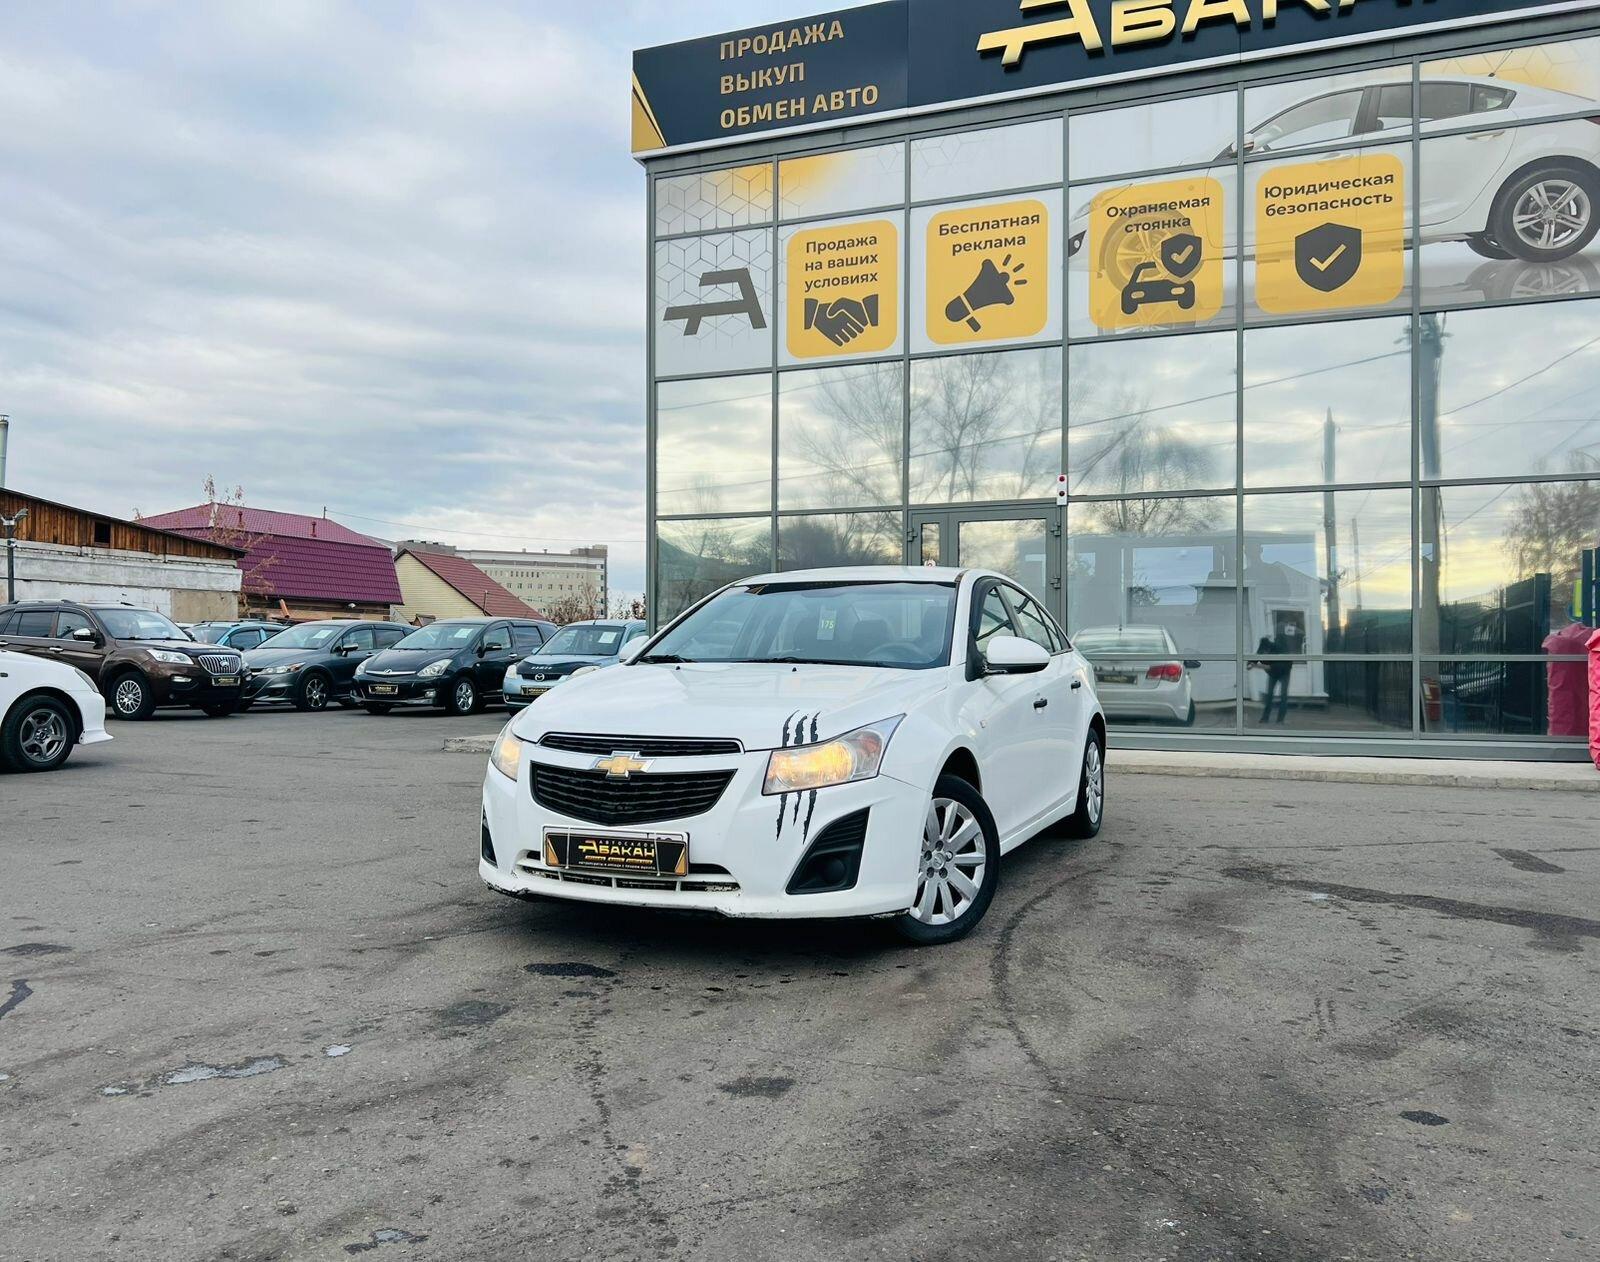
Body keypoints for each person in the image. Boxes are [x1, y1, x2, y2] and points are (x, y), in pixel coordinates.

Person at [1250, 626, 1294, 724]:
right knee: (1269, 695)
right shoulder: (1262, 648)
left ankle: (1280, 719)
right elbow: (1255, 658)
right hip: (1272, 674)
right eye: (1262, 653)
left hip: (1284, 671)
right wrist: (1250, 663)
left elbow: (1272, 667)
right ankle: (1265, 718)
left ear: (1269, 649)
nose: (1263, 654)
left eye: (1265, 653)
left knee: (1283, 695)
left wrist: (1256, 666)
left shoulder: (1278, 649)